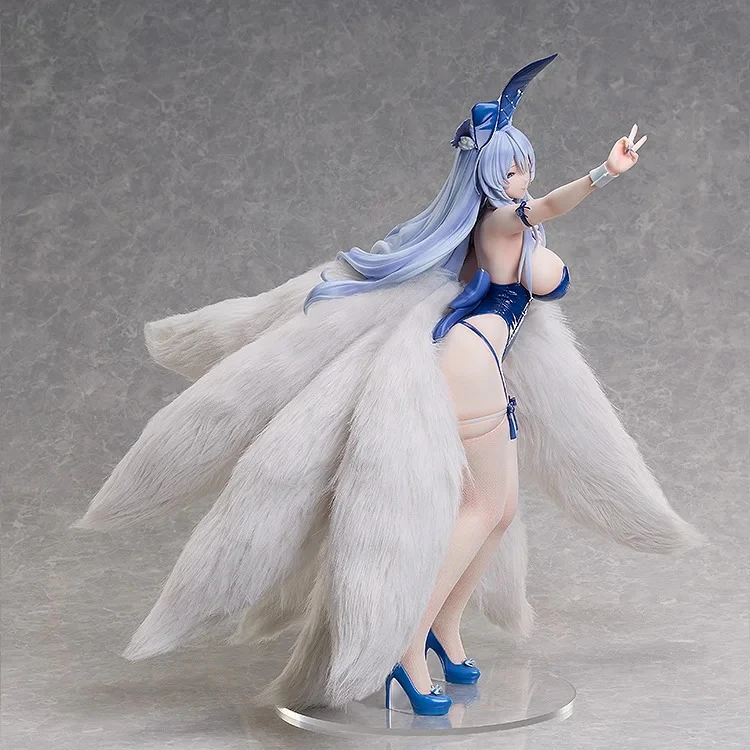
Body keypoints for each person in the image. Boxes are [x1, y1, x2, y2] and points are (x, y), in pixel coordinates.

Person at [72, 55, 706, 716]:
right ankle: (404, 644)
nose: (524, 176)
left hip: (487, 363)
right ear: (490, 176)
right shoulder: (502, 220)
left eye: (526, 164)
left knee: (500, 512)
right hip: (469, 363)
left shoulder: (509, 225)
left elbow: (538, 230)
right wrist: (605, 172)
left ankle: (443, 629)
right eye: (513, 168)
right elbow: (548, 205)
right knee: (478, 509)